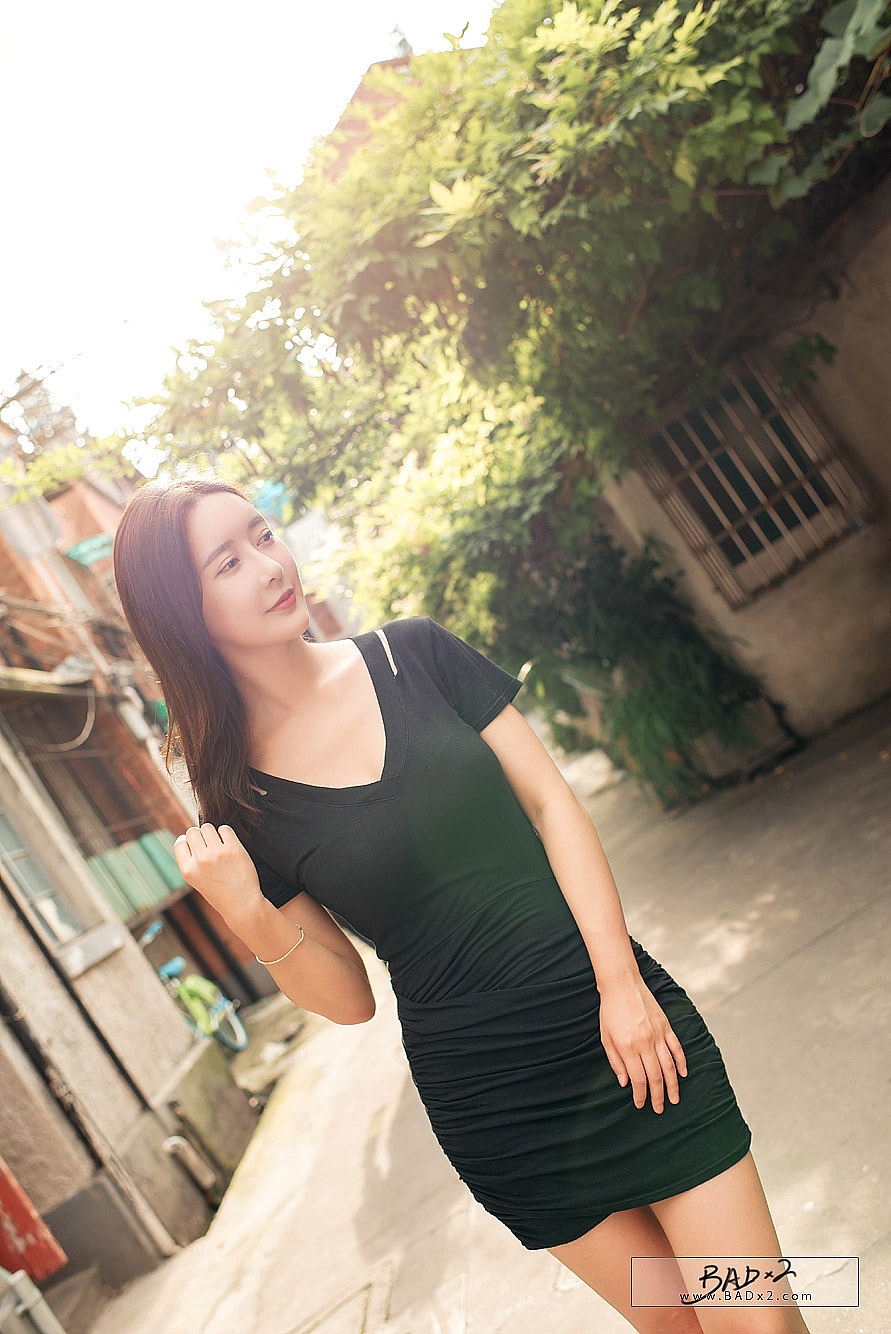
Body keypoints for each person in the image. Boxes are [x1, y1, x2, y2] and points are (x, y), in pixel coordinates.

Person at [113, 477, 810, 1334]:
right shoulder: (238, 800)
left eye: (262, 535)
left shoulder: (412, 654)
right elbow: (350, 1000)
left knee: (758, 1318)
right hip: (498, 1104)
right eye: (227, 562)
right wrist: (249, 913)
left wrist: (621, 985)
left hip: (620, 1022)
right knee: (680, 1327)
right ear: (183, 616)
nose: (268, 566)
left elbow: (552, 806)